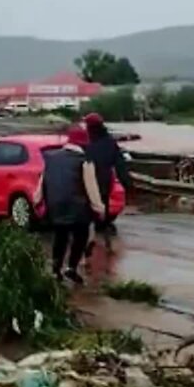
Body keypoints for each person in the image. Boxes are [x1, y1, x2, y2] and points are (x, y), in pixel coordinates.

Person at [34, 124, 105, 285]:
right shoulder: (85, 162)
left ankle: (56, 269)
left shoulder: (50, 158)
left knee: (60, 236)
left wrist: (37, 200)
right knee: (81, 236)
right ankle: (71, 268)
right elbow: (91, 188)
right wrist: (99, 208)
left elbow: (42, 182)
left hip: (55, 205)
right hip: (78, 208)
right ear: (84, 143)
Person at [82, 112, 132, 255]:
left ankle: (89, 243)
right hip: (104, 182)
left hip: (87, 181)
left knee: (87, 213)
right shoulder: (110, 142)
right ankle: (106, 243)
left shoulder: (87, 142)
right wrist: (127, 183)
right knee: (102, 212)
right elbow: (120, 164)